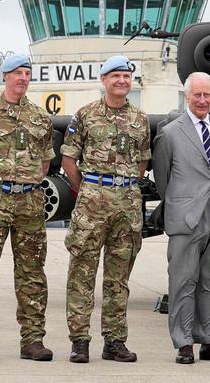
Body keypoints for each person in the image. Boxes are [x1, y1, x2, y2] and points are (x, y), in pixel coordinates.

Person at [0, 53, 55, 362]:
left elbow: (45, 161)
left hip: (29, 202)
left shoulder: (41, 117)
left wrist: (26, 184)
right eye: (17, 72)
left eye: (27, 72)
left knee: (31, 272)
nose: (23, 78)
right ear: (4, 76)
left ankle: (32, 340)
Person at [60, 55, 150, 364]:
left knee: (118, 277)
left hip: (126, 205)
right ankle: (80, 340)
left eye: (126, 76)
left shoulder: (141, 118)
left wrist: (124, 187)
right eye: (115, 76)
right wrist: (85, 189)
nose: (122, 81)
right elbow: (69, 160)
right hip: (92, 202)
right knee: (82, 273)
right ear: (104, 80)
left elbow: (142, 163)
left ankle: (114, 341)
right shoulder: (85, 115)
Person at [152, 72, 210, 365]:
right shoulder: (171, 132)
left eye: (206, 95)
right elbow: (162, 178)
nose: (202, 100)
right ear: (186, 96)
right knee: (183, 282)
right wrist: (179, 205)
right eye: (196, 95)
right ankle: (184, 341)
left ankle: (209, 339)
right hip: (185, 218)